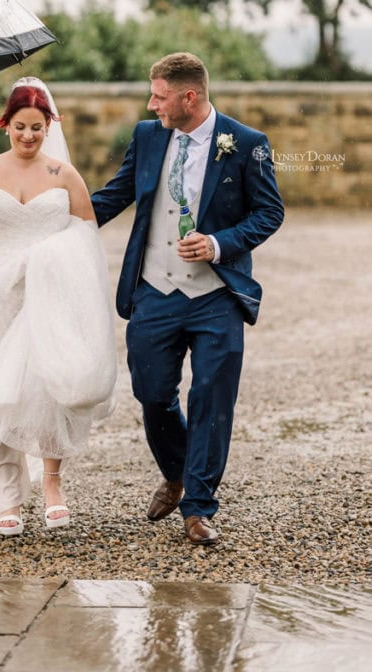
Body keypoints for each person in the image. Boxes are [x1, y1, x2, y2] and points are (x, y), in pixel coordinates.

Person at [91, 53, 284, 545]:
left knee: (212, 400)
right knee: (153, 394)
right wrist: (51, 218)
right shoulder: (148, 136)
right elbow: (116, 195)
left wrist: (218, 243)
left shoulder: (246, 143)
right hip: (154, 290)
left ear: (189, 97)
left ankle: (198, 507)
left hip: (216, 295)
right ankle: (177, 473)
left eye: (159, 96)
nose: (151, 104)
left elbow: (269, 212)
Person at [0, 76, 117, 537]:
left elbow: (85, 233)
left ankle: (51, 482)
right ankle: (8, 494)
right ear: (5, 124)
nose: (28, 136)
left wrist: (51, 259)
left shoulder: (63, 175)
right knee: (1, 389)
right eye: (20, 127)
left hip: (48, 290)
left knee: (47, 384)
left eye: (37, 128)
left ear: (49, 127)